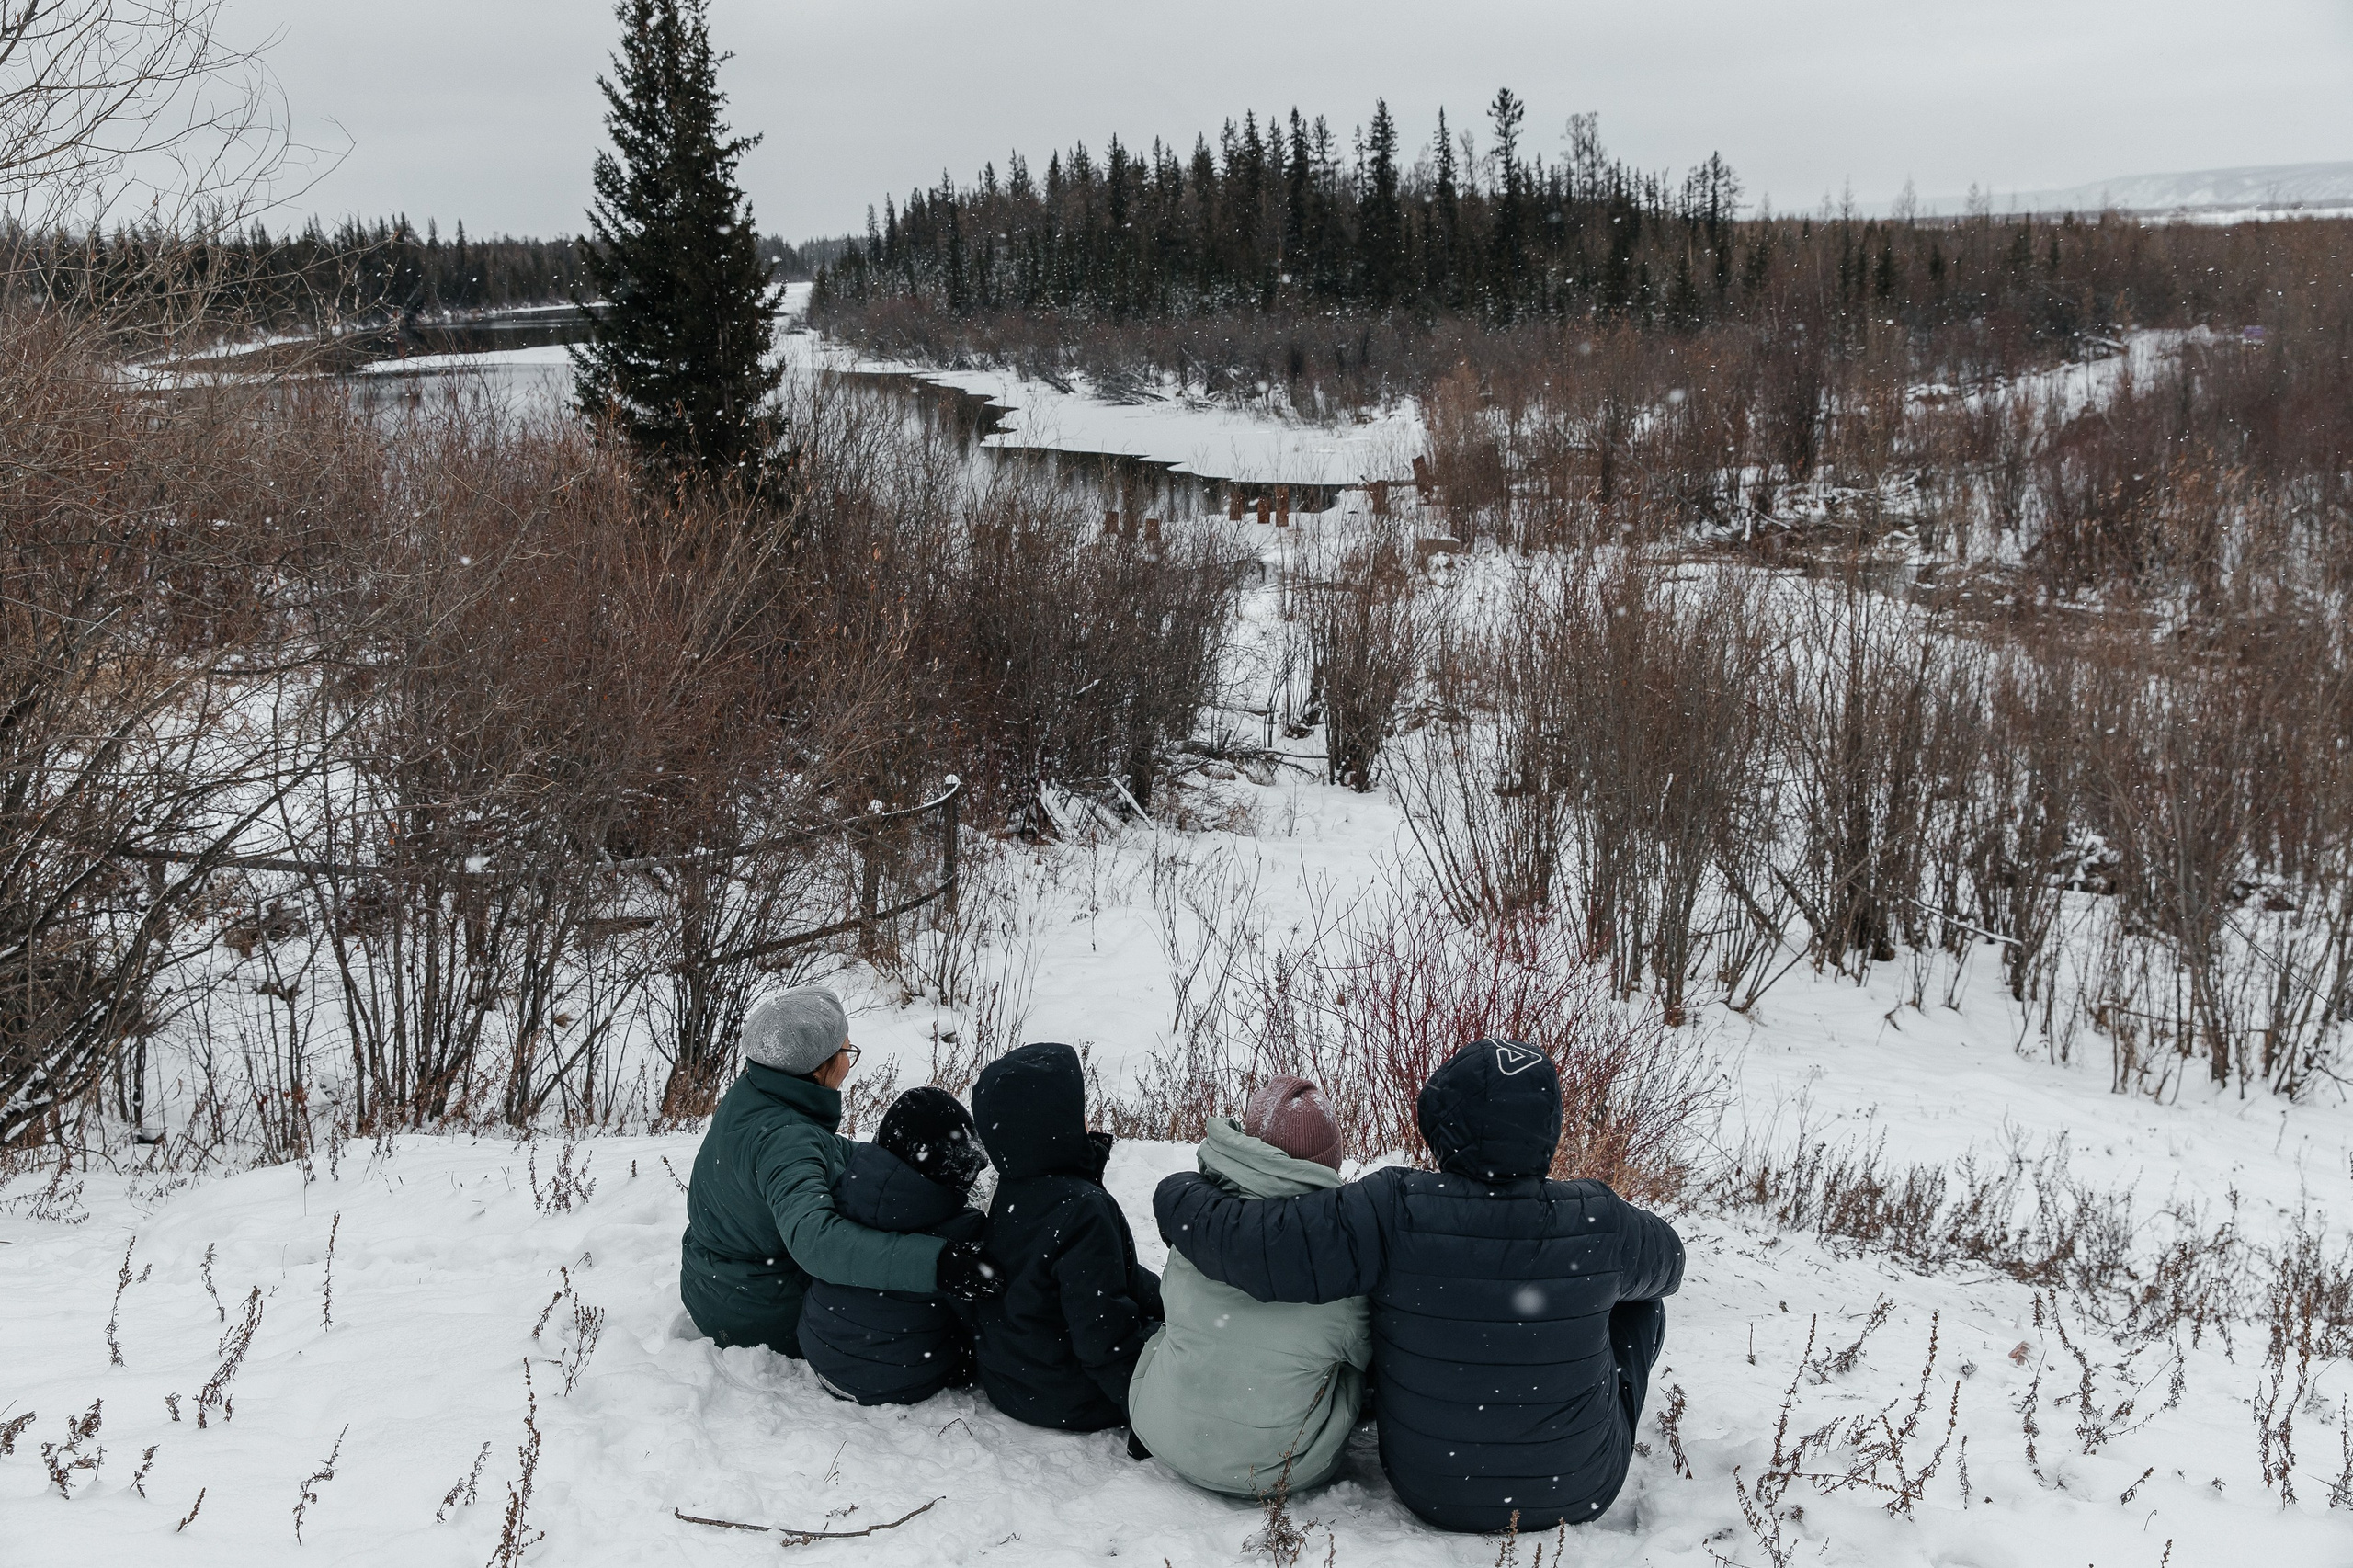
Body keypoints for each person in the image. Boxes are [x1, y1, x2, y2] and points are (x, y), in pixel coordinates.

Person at [1153, 1040, 1684, 1534]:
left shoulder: (1393, 1206)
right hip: (1579, 1486)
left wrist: (1180, 1192)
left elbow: (1257, 1245)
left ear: (1442, 1122)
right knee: (1641, 1304)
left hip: (1432, 1486)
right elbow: (1671, 1263)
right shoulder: (1600, 1218)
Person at [679, 986, 1003, 1358]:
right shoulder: (786, 1140)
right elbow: (817, 1242)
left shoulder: (757, 1089)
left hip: (711, 1281)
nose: (850, 1061)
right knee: (898, 1308)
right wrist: (936, 1263)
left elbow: (820, 1149)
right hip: (758, 1308)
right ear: (817, 1068)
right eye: (847, 1052)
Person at [1127, 1076, 1372, 1498]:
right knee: (1349, 1356)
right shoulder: (1342, 1261)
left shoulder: (1197, 1226)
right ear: (1329, 1162)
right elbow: (1368, 1356)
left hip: (1162, 1433)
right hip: (1278, 1469)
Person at [969, 1041, 1164, 1433]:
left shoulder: (1015, 1185)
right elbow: (1102, 1338)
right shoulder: (1082, 1208)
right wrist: (1148, 1417)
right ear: (1054, 1125)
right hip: (1067, 1395)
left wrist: (1165, 1297)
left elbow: (1103, 1273)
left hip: (1013, 1381)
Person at [799, 1086, 991, 1404]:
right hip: (897, 1378)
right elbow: (976, 1319)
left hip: (821, 1353)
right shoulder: (962, 1229)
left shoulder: (846, 1185)